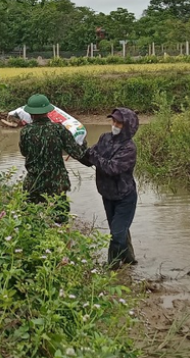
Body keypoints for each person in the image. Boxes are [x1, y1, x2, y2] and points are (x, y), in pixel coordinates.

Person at [78, 107, 139, 268]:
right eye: (113, 121)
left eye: (119, 123)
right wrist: (80, 149)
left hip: (125, 197)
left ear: (128, 126)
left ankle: (111, 268)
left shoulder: (129, 148)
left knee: (117, 234)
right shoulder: (105, 138)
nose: (115, 124)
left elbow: (112, 168)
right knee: (120, 231)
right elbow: (89, 160)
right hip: (107, 194)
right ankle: (130, 260)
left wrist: (92, 154)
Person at [18, 94, 86, 222]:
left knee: (32, 218)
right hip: (56, 183)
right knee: (60, 219)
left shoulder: (25, 132)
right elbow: (77, 153)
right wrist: (83, 143)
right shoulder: (59, 129)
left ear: (31, 113)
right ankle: (59, 240)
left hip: (34, 181)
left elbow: (24, 152)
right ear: (48, 112)